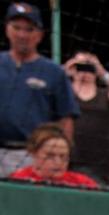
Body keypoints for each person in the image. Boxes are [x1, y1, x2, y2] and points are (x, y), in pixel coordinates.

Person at [0, 3, 77, 177]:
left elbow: (66, 118)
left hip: (32, 155)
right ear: (7, 29)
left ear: (40, 35)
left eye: (29, 29)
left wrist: (62, 158)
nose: (22, 34)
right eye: (16, 27)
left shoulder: (54, 72)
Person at [63, 51, 109, 185]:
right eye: (80, 66)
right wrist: (64, 71)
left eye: (88, 66)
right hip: (70, 162)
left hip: (102, 165)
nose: (84, 71)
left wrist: (102, 72)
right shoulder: (65, 94)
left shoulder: (106, 95)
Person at [8, 122, 96, 188]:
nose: (58, 162)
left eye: (63, 156)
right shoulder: (17, 181)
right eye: (50, 156)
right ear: (33, 153)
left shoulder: (83, 184)